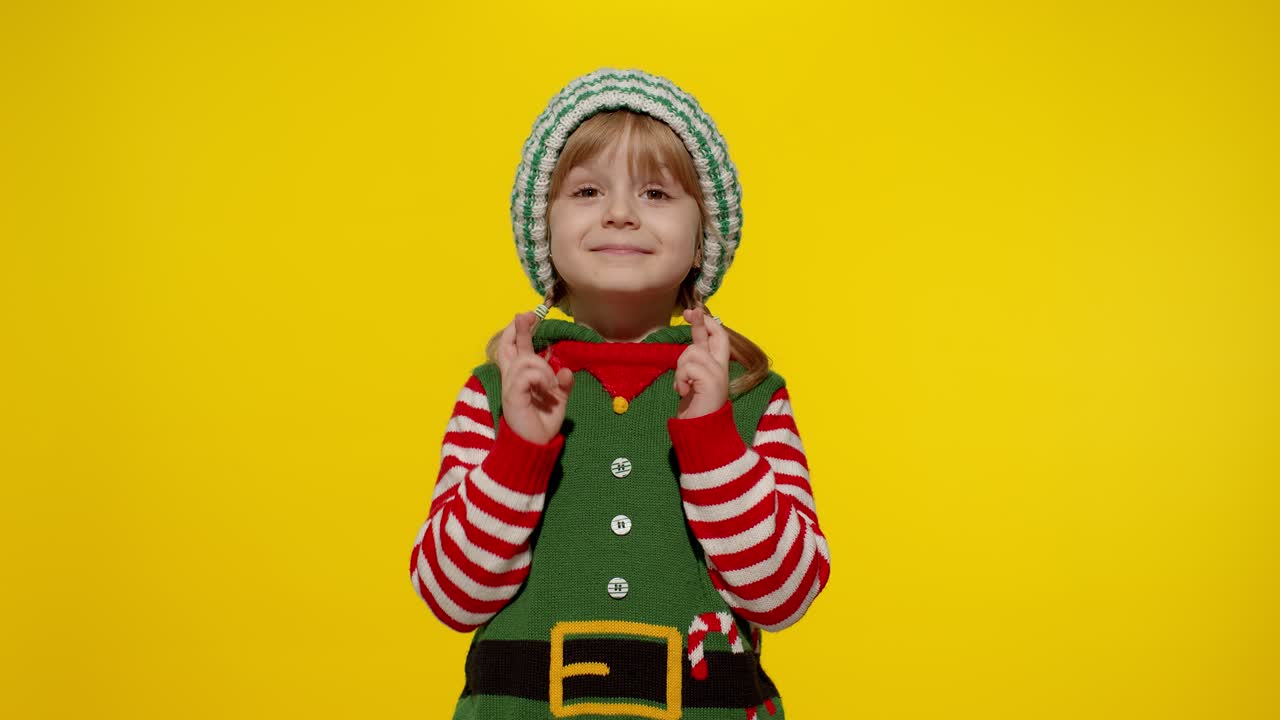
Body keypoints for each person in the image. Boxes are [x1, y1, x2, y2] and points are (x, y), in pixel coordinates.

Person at [409, 67, 831, 720]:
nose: (620, 213)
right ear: (542, 227)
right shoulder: (497, 390)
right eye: (586, 190)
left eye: (657, 193)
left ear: (703, 238)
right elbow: (450, 595)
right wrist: (520, 447)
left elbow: (785, 595)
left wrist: (714, 438)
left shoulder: (750, 394)